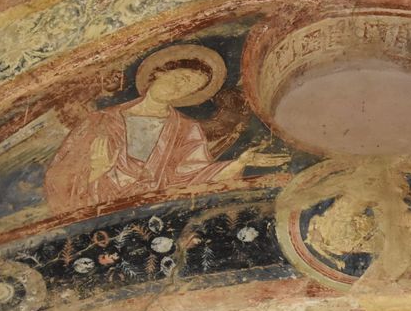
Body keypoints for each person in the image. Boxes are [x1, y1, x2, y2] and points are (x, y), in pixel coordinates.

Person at [45, 44, 287, 212]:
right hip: (99, 212)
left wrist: (239, 163)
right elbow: (59, 180)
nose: (180, 88)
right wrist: (96, 171)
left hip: (151, 214)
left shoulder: (187, 130)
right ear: (160, 73)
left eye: (190, 87)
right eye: (180, 79)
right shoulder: (100, 121)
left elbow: (194, 178)